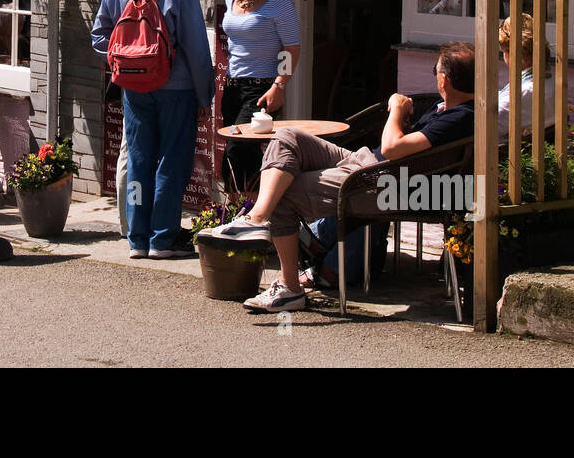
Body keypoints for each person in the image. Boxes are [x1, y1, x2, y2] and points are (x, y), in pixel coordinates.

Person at [202, 41, 477, 312]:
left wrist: (396, 110)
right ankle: (257, 219)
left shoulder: (459, 117)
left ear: (444, 80)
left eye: (435, 72)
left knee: (282, 193)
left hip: (380, 181)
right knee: (288, 137)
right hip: (368, 163)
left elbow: (393, 148)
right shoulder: (449, 110)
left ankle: (289, 287)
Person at [92, 0, 214, 260]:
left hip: (133, 87)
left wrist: (122, 63)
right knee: (171, 162)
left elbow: (99, 36)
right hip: (176, 88)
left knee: (140, 160)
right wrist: (205, 96)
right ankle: (163, 239)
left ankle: (137, 239)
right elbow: (196, 49)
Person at [219, 0, 300, 192]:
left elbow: (292, 48)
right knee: (241, 155)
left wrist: (280, 85)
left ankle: (254, 212)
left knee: (239, 149)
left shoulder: (279, 1)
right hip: (232, 87)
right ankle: (238, 214)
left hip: (262, 89)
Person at [497, 13, 556, 141]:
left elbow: (483, 126)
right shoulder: (551, 81)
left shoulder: (521, 94)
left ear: (512, 54)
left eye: (503, 52)